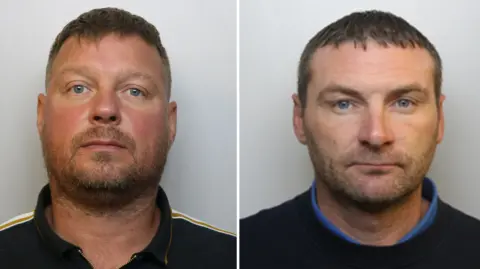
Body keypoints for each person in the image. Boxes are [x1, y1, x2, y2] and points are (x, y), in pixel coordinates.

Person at [240, 10, 480, 269]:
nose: (376, 135)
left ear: (440, 119)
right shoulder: (242, 251)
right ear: (300, 119)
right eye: (343, 104)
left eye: (403, 103)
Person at [0, 7, 235, 269]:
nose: (106, 109)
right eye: (78, 88)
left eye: (135, 91)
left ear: (170, 123)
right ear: (42, 116)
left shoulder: (233, 258)